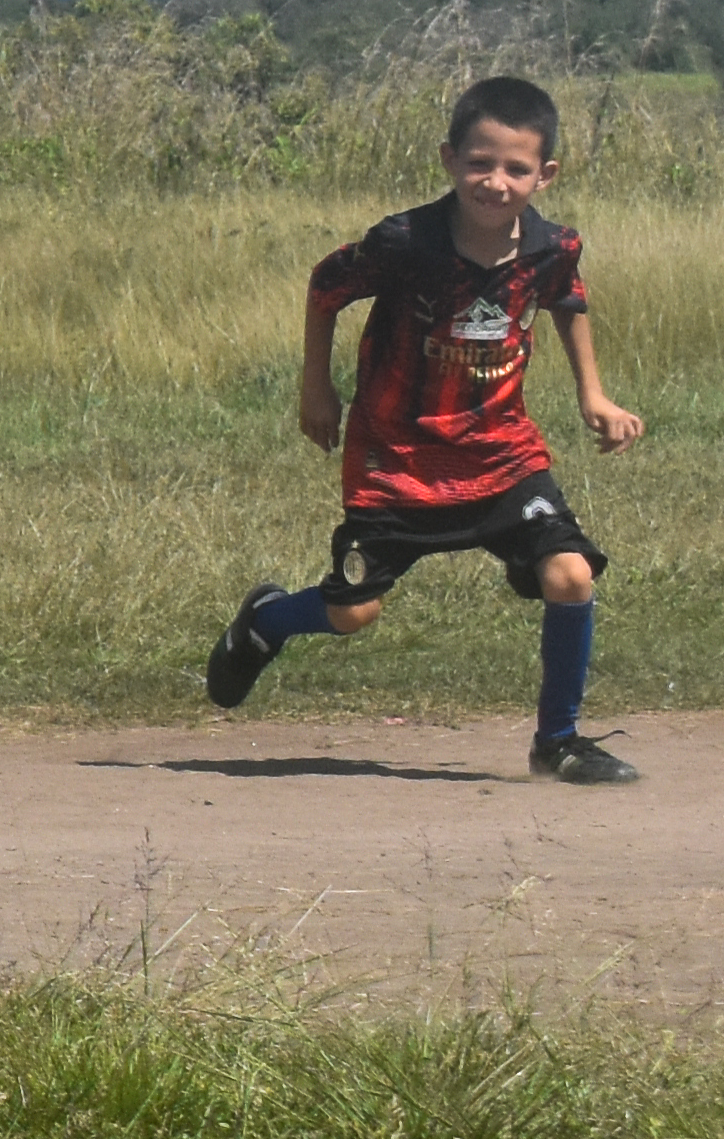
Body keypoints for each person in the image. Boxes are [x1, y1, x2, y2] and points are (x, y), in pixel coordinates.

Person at [205, 72, 647, 780]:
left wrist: (594, 394)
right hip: (397, 456)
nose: (495, 181)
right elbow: (326, 285)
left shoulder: (551, 245)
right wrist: (315, 388)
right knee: (355, 612)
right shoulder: (407, 240)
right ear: (449, 159)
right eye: (479, 162)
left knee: (569, 575)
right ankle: (264, 622)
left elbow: (567, 294)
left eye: (515, 167)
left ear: (546, 173)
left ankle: (557, 741)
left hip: (501, 452)